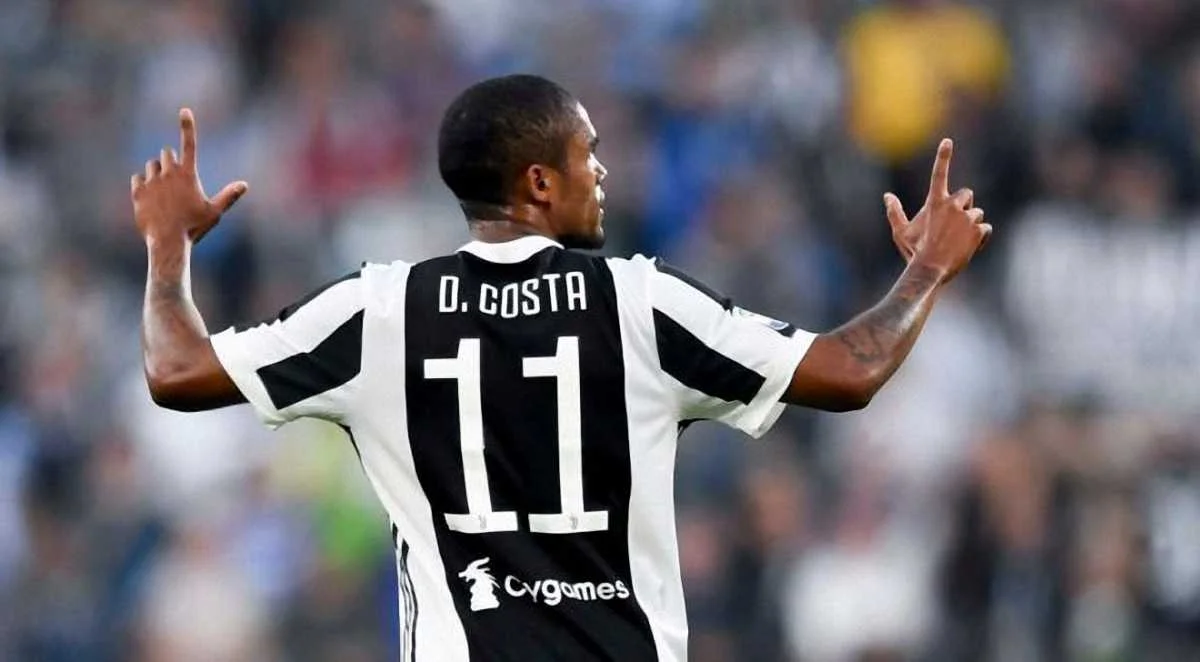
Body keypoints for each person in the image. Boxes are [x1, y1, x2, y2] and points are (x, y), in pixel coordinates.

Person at [129, 74, 990, 662]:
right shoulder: (639, 303)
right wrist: (926, 271)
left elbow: (176, 370)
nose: (601, 171)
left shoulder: (378, 312)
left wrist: (169, 247)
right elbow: (849, 370)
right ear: (540, 182)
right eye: (588, 152)